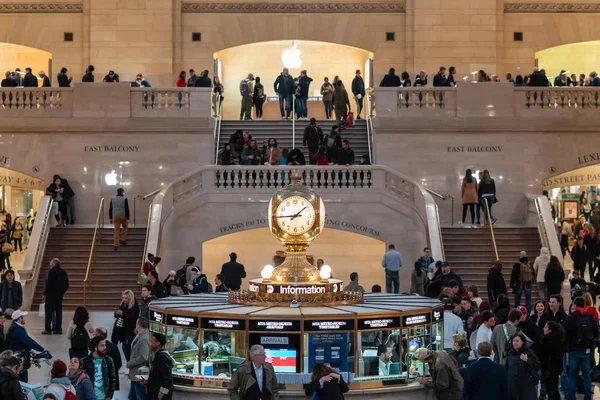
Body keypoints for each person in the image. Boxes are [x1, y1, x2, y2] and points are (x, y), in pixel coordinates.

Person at [565, 296, 599, 400]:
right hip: (586, 351)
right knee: (587, 376)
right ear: (584, 305)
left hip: (573, 350)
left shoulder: (570, 318)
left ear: (574, 305)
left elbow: (565, 334)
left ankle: (571, 397)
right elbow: (596, 333)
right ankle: (588, 397)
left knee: (572, 375)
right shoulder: (589, 317)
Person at [7, 310, 46, 382]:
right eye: (23, 317)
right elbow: (29, 341)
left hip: (18, 358)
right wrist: (42, 349)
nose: (25, 318)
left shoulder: (15, 327)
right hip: (18, 360)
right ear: (20, 318)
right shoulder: (17, 330)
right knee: (22, 380)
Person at [505, 331, 541, 400]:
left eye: (517, 341)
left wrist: (527, 360)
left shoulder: (528, 352)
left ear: (522, 342)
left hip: (526, 386)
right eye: (513, 341)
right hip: (513, 386)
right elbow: (507, 368)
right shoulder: (510, 353)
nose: (514, 343)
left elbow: (537, 365)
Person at [141, 332, 173, 400]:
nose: (149, 344)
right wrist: (148, 383)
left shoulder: (162, 357)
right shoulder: (158, 355)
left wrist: (161, 393)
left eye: (151, 342)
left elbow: (167, 378)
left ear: (158, 343)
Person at [42, 257, 69, 335]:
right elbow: (67, 285)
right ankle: (58, 329)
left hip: (51, 295)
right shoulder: (63, 272)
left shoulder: (51, 272)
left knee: (49, 313)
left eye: (50, 264)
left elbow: (48, 284)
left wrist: (45, 294)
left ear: (54, 264)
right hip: (59, 296)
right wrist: (62, 292)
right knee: (58, 312)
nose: (50, 266)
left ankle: (47, 329)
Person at [111, 289, 139, 362]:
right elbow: (117, 315)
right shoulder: (123, 304)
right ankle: (129, 362)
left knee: (126, 347)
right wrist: (117, 312)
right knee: (124, 346)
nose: (124, 299)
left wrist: (122, 313)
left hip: (130, 329)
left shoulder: (134, 307)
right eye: (123, 297)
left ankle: (130, 362)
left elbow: (131, 317)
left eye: (126, 298)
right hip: (121, 329)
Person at [540, 321, 565, 400]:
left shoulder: (547, 340)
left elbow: (544, 356)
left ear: (550, 330)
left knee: (551, 390)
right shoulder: (558, 339)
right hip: (556, 368)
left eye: (546, 327)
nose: (544, 328)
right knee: (554, 389)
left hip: (549, 368)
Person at [127, 318, 150, 400]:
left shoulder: (144, 338)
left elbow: (143, 356)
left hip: (139, 373)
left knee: (140, 396)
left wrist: (130, 363)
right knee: (132, 397)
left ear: (138, 325)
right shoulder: (140, 334)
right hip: (135, 373)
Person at [95, 327, 121, 391]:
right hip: (112, 380)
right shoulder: (113, 346)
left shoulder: (97, 349)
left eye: (94, 335)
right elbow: (119, 363)